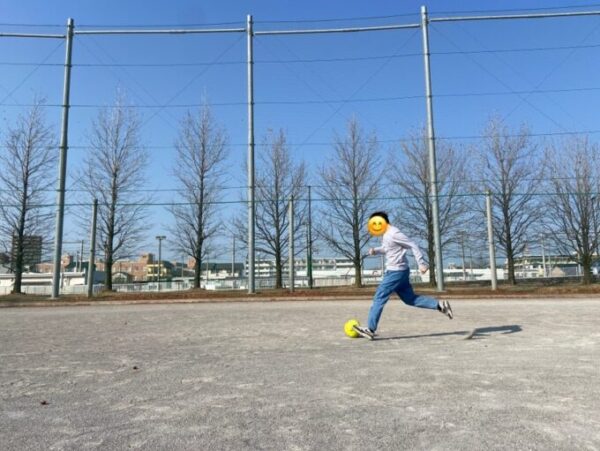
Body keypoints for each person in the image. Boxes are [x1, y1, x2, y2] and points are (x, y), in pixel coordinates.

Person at [353, 211, 453, 340]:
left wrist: (421, 264)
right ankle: (440, 305)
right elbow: (388, 249)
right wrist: (376, 251)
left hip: (395, 273)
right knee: (410, 299)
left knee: (379, 298)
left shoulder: (394, 233)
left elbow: (412, 244)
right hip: (401, 272)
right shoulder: (386, 234)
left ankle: (370, 329)